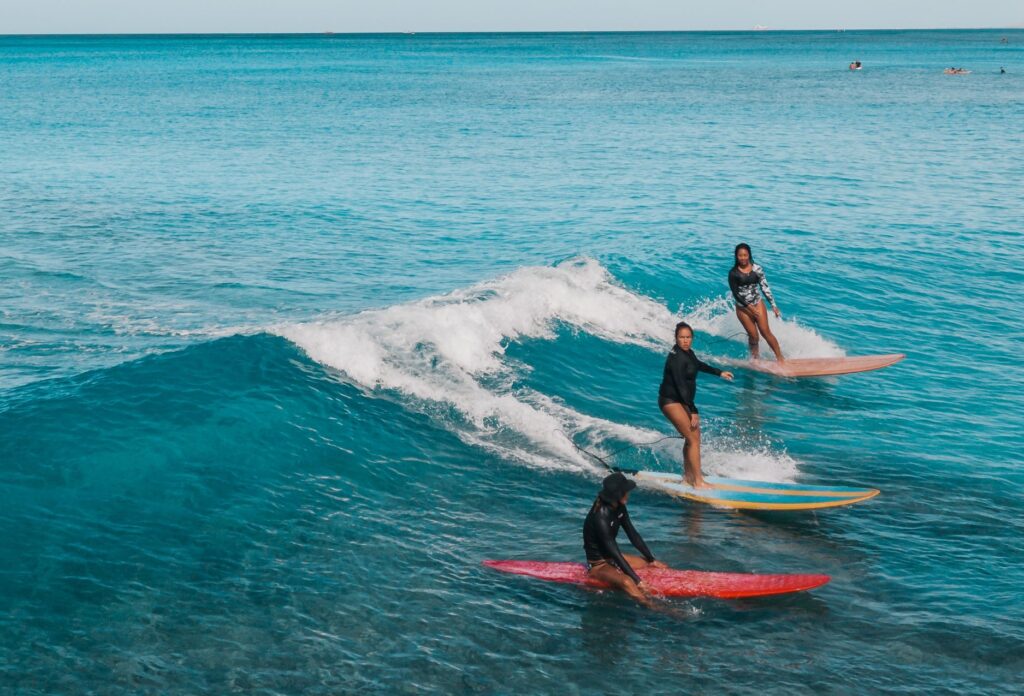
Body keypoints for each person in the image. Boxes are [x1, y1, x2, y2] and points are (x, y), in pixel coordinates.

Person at [658, 321, 733, 488]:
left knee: (693, 437)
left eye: (688, 337)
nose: (685, 340)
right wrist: (693, 410)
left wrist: (719, 372)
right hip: (671, 401)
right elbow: (680, 385)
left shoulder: (688, 353)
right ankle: (698, 482)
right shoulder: (676, 358)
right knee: (693, 438)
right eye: (682, 337)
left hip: (681, 400)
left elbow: (698, 365)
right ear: (676, 338)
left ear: (692, 338)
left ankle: (688, 477)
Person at [583, 472, 667, 602]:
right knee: (627, 582)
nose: (628, 493)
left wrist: (651, 559)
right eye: (626, 491)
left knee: (648, 564)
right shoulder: (600, 517)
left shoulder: (619, 507)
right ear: (617, 495)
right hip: (598, 565)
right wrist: (637, 581)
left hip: (611, 558)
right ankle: (653, 607)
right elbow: (614, 551)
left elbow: (632, 533)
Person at [728, 242, 785, 362]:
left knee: (765, 331)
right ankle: (755, 359)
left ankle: (780, 358)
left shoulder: (757, 269)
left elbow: (765, 287)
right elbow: (736, 294)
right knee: (754, 336)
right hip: (743, 308)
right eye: (740, 255)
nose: (743, 258)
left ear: (749, 255)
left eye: (745, 255)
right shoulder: (733, 273)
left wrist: (773, 306)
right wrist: (749, 307)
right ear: (736, 256)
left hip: (757, 303)